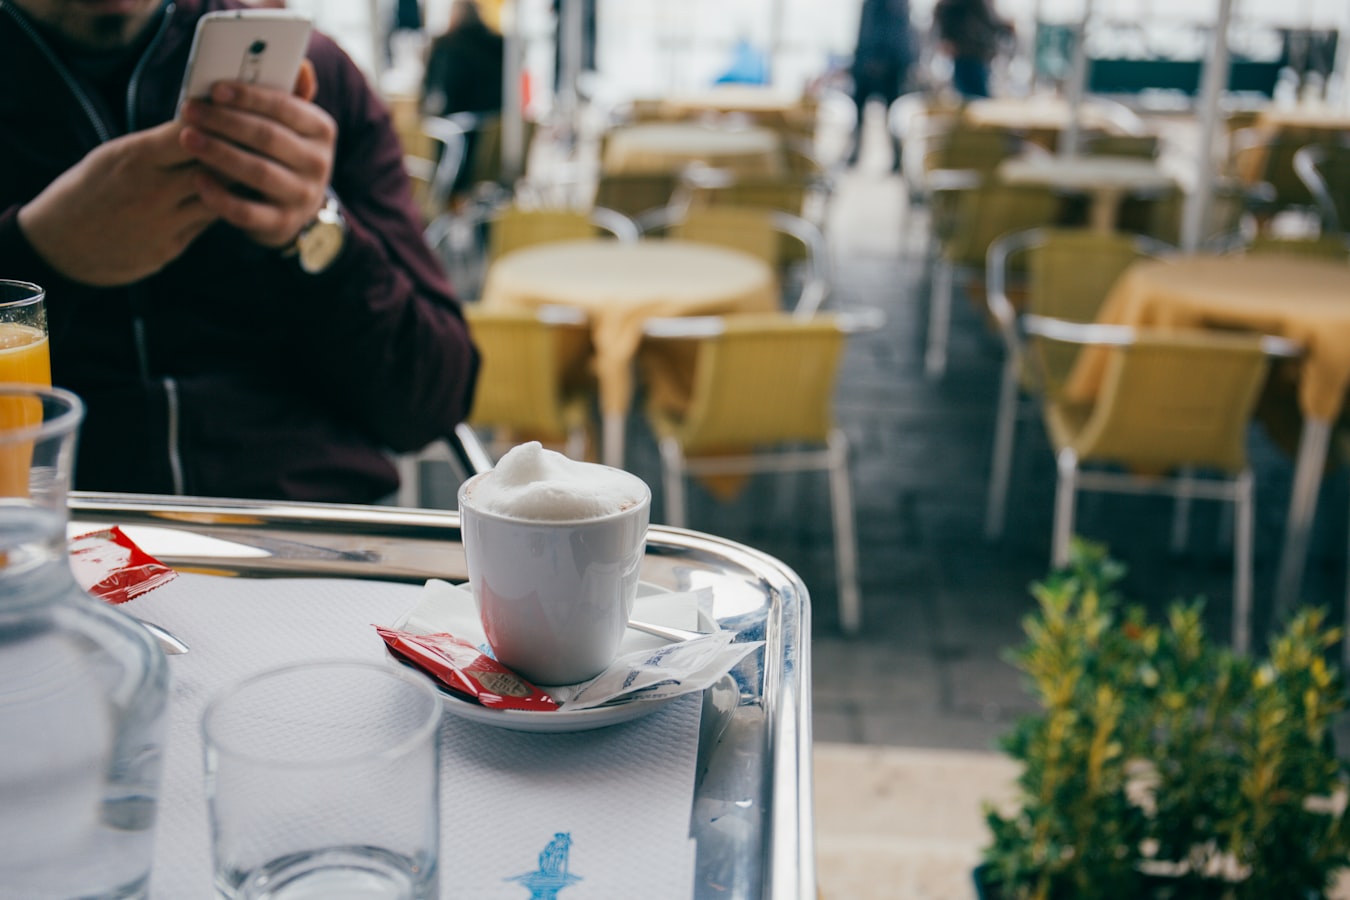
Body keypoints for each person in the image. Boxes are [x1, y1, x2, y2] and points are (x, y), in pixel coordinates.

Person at [0, 0, 481, 504]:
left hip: (311, 533)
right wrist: (36, 251)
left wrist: (314, 233)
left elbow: (431, 402)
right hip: (63, 531)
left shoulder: (319, 77)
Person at [847, 0, 915, 169]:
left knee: (893, 114)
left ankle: (897, 159)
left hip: (888, 66)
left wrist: (884, 61)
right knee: (859, 112)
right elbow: (864, 31)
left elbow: (897, 32)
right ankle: (856, 153)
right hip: (867, 63)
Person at [421, 0, 503, 119]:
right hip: (493, 124)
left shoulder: (448, 46)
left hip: (458, 125)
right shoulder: (497, 45)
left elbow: (441, 92)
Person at [932, 0, 1013, 99]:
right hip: (967, 53)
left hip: (975, 54)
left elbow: (988, 22)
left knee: (973, 98)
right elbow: (943, 9)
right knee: (975, 99)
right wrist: (945, 38)